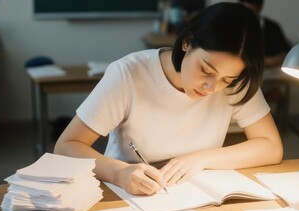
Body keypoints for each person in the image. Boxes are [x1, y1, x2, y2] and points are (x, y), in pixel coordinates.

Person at [54, 2, 283, 196]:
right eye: (206, 70)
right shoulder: (129, 74)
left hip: (194, 193)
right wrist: (118, 172)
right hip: (124, 192)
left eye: (227, 79)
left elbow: (271, 147)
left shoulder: (236, 82)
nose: (212, 87)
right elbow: (66, 147)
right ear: (187, 43)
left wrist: (201, 159)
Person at [239, 0, 291, 118]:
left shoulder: (272, 28)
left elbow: (285, 55)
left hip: (267, 78)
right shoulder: (233, 26)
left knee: (275, 93)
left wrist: (263, 62)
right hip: (241, 77)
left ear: (260, 6)